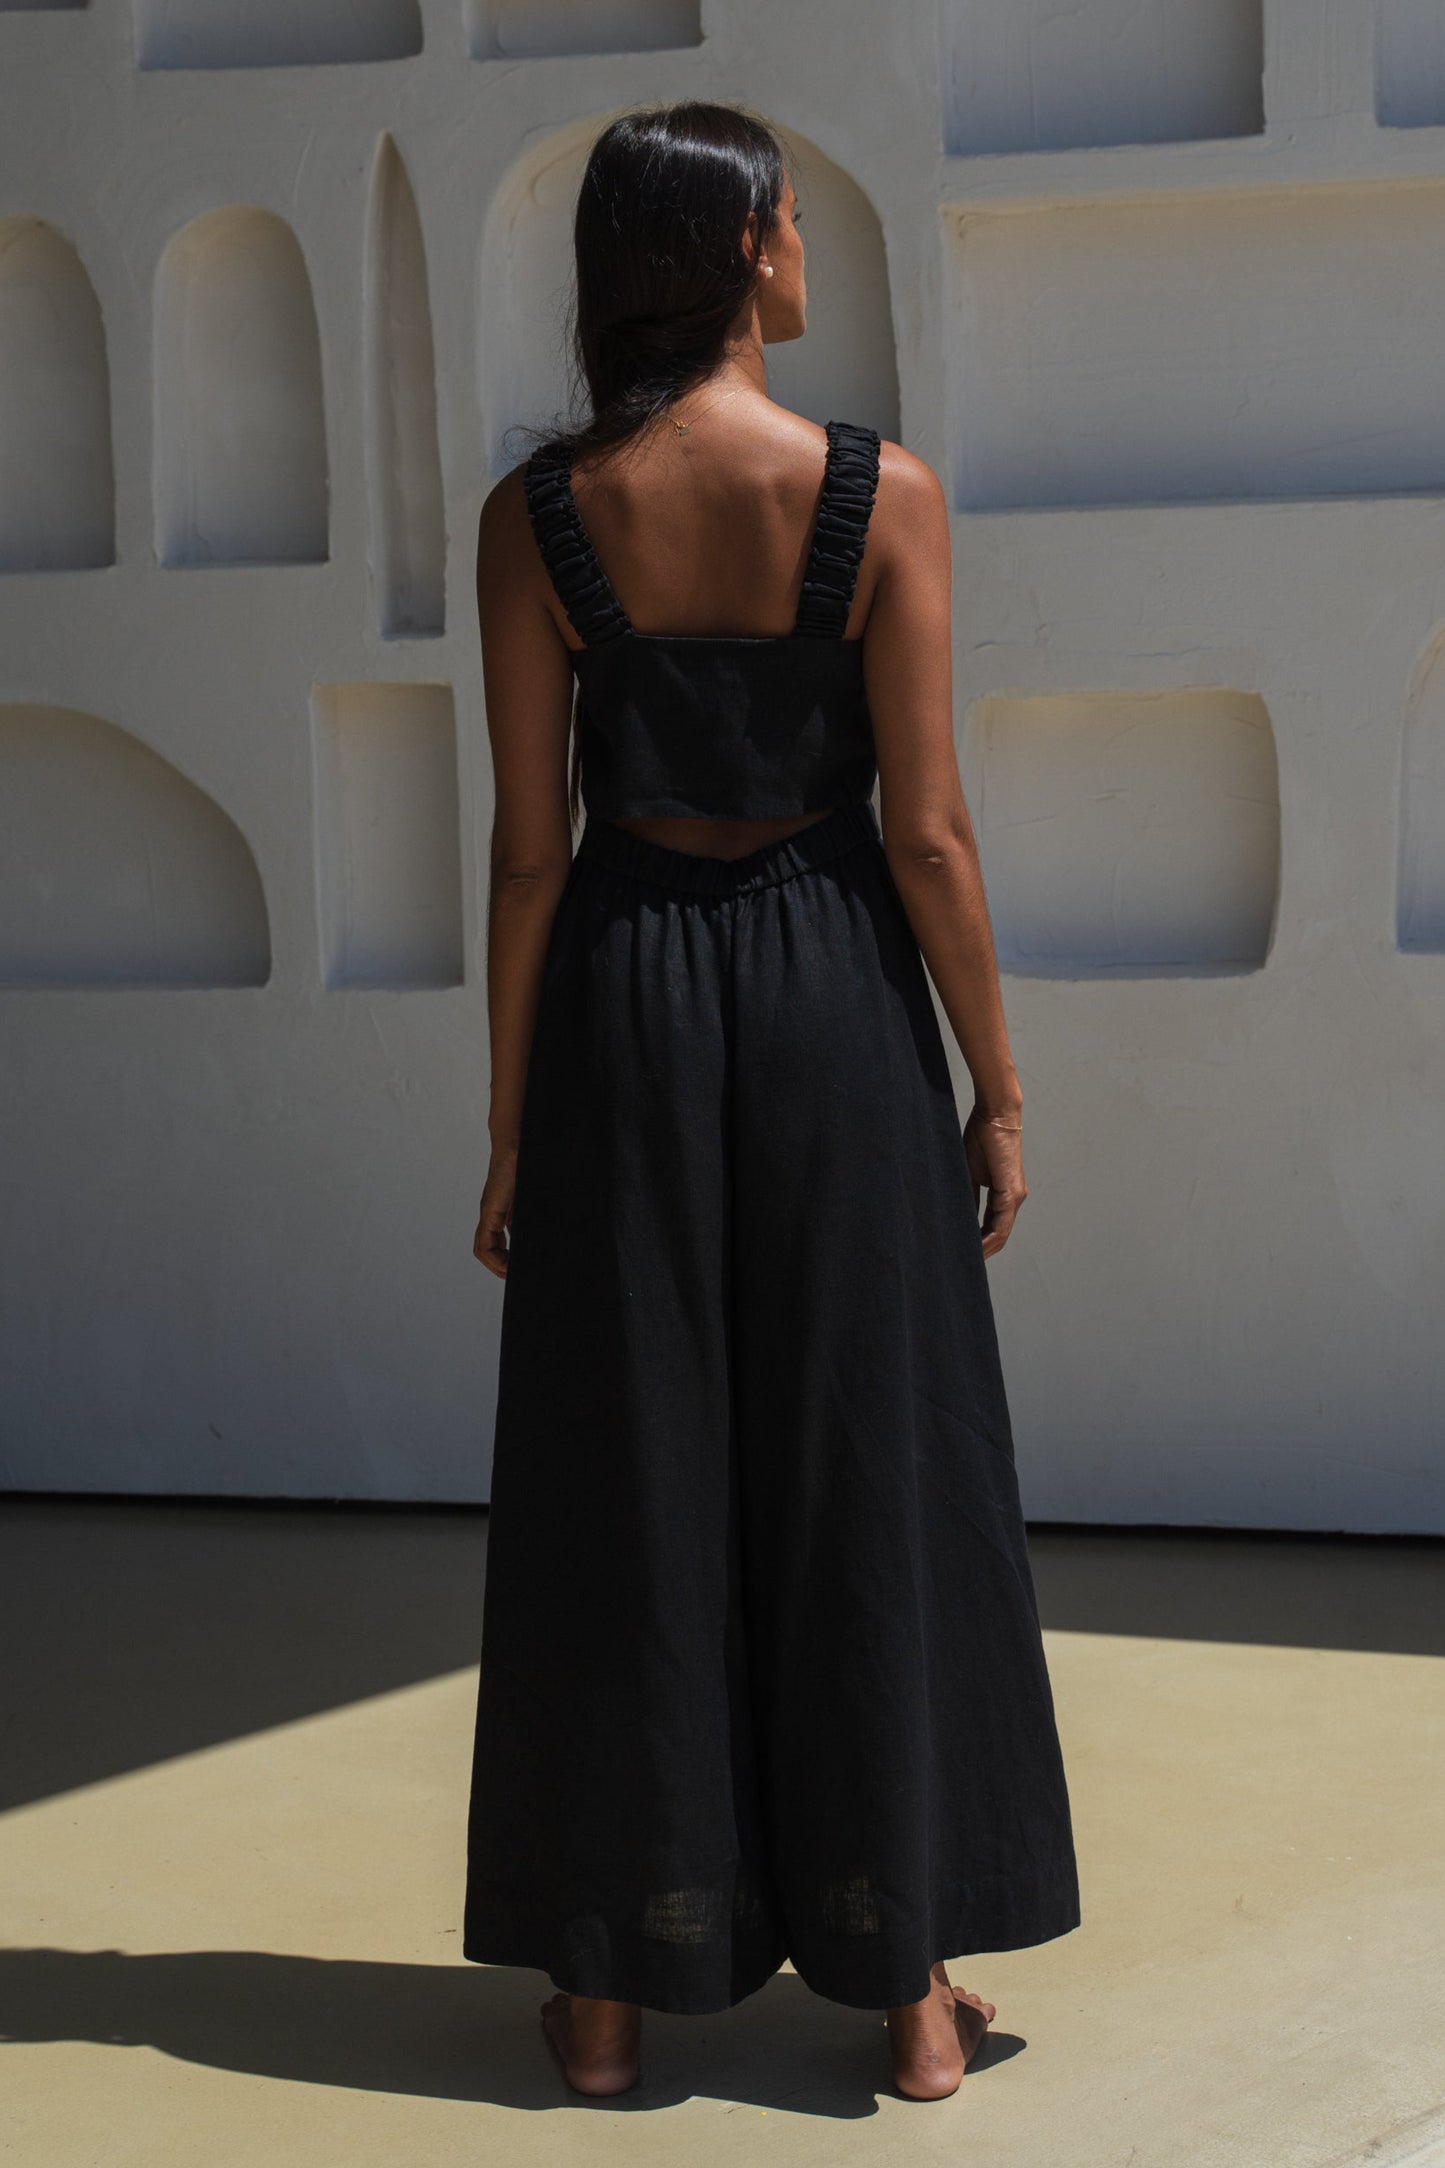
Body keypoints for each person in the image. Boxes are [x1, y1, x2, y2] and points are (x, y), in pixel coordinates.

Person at [463, 99, 1080, 2103]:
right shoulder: (881, 492)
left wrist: (508, 1120)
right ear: (736, 252)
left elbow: (530, 851)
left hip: (628, 996)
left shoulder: (540, 515)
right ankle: (910, 2007)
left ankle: (611, 2004)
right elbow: (931, 836)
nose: (808, 248)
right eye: (789, 222)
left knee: (624, 1470)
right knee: (869, 1464)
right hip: (827, 991)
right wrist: (992, 1079)